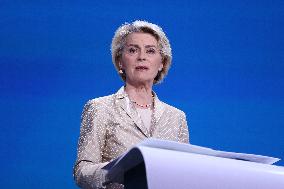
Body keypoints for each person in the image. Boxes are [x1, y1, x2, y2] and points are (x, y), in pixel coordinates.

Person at [73, 20, 189, 189]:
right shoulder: (99, 108)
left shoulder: (177, 117)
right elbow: (82, 172)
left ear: (161, 63)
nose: (142, 56)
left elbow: (184, 174)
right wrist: (117, 171)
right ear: (120, 61)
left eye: (150, 51)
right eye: (133, 50)